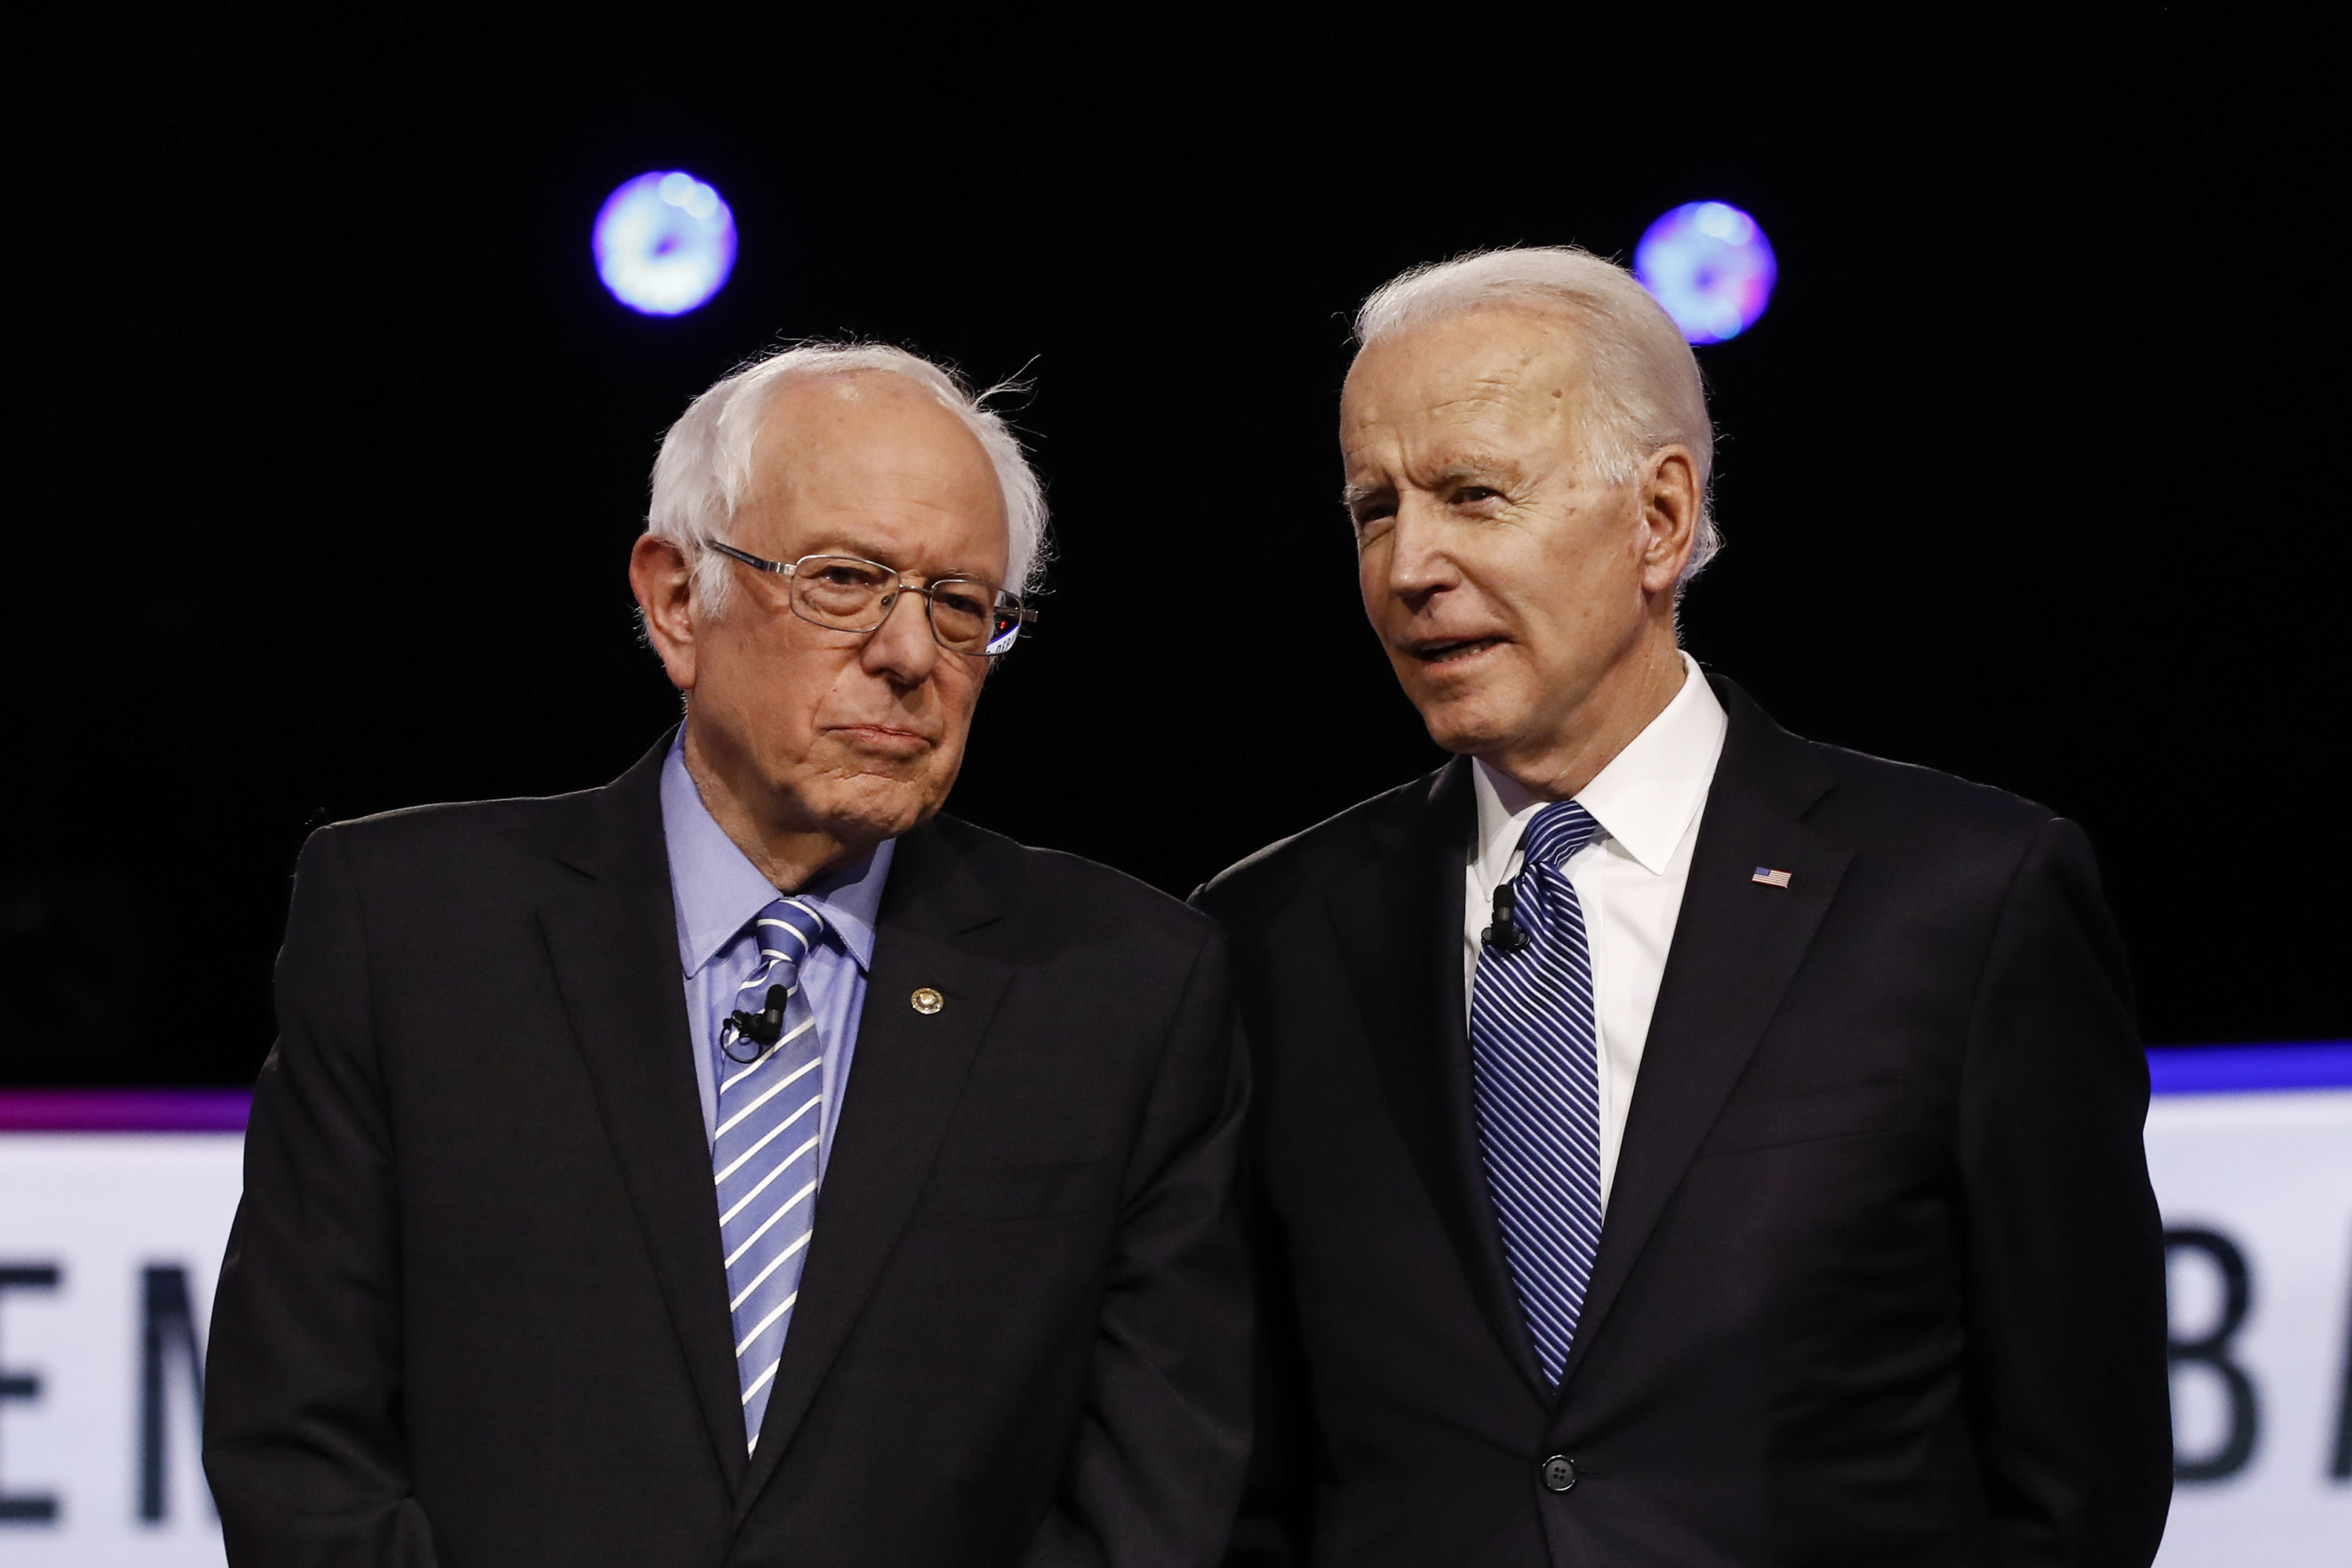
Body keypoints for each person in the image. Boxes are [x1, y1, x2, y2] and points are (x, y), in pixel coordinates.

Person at [1196, 249, 2171, 1566]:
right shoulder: (1270, 937)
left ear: (1659, 519)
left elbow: (2079, 1477)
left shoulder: (1963, 900)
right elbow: (1248, 1469)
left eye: (1475, 495)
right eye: (1375, 509)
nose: (1411, 565)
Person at [205, 343, 1250, 1566]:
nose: (910, 655)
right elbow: (299, 1448)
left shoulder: (1125, 988)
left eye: (960, 606)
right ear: (672, 600)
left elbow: (1152, 1499)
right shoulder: (411, 930)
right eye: (846, 580)